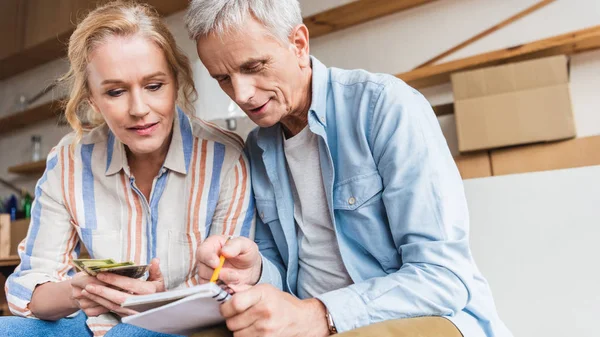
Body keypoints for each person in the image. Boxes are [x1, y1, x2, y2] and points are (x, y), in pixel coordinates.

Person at [186, 0, 513, 336]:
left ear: (298, 44)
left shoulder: (384, 107)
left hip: (417, 320)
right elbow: (285, 280)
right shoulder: (257, 147)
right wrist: (253, 271)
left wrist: (319, 315)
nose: (240, 93)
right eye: (223, 78)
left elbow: (443, 278)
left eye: (253, 67)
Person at [0, 2, 254, 337]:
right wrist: (81, 291)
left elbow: (230, 288)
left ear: (175, 83)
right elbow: (29, 289)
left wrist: (160, 303)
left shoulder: (225, 158)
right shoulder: (69, 161)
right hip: (93, 321)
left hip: (190, 327)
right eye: (115, 92)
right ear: (92, 100)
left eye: (154, 86)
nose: (138, 109)